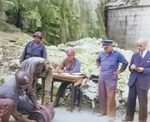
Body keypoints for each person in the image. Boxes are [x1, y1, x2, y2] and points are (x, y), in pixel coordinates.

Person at [96, 40, 128, 122]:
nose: (105, 49)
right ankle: (102, 111)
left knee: (110, 96)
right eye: (103, 47)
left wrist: (119, 71)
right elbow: (97, 60)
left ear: (111, 46)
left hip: (111, 76)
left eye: (106, 47)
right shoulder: (101, 54)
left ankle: (111, 115)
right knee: (102, 94)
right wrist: (99, 67)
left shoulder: (117, 54)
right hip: (102, 75)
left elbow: (125, 63)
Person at [122, 38, 150, 122]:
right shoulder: (135, 55)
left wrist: (144, 70)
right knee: (130, 100)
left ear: (145, 45)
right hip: (133, 81)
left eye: (140, 46)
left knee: (142, 102)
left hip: (144, 82)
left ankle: (142, 120)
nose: (138, 47)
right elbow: (130, 67)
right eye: (137, 46)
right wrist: (131, 67)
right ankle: (129, 117)